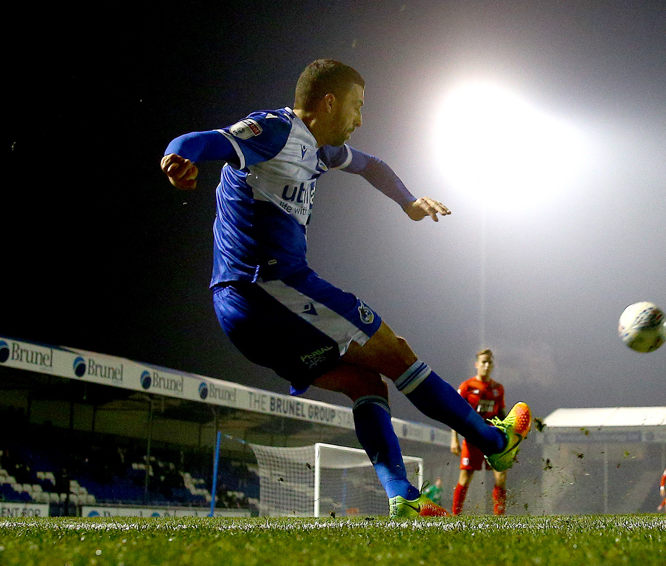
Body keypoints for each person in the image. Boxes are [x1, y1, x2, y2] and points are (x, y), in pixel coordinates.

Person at [160, 59, 532, 518]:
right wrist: (178, 159)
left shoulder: (321, 151)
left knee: (365, 382)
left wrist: (409, 201)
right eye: (356, 106)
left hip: (243, 311)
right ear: (329, 102)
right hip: (269, 288)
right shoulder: (275, 130)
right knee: (397, 352)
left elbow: (371, 166)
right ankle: (495, 442)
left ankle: (403, 497)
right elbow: (203, 140)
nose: (360, 119)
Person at [451, 349, 509, 515]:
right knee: (466, 476)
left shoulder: (498, 389)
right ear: (476, 364)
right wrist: (454, 439)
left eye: (489, 362)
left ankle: (499, 518)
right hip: (473, 438)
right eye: (483, 362)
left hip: (493, 438)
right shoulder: (467, 386)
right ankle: (456, 515)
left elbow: (502, 415)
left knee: (501, 476)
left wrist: (508, 437)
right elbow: (454, 414)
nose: (486, 365)